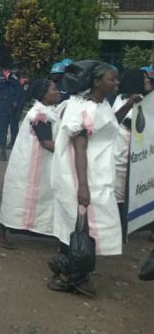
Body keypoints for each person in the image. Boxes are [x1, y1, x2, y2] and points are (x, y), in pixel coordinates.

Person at [49, 60, 135, 296]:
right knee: (77, 226)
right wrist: (83, 186)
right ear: (97, 82)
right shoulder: (83, 108)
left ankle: (74, 274)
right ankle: (68, 275)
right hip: (78, 174)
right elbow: (79, 146)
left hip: (96, 172)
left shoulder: (101, 104)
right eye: (111, 78)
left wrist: (128, 105)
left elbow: (107, 125)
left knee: (83, 226)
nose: (116, 82)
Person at [0, 79, 62, 249]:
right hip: (32, 166)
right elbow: (46, 142)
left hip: (35, 164)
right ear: (43, 95)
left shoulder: (46, 111)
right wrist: (73, 151)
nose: (57, 91)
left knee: (29, 198)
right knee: (22, 198)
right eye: (54, 89)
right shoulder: (40, 115)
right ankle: (0, 233)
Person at [111, 68, 151, 229]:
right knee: (120, 195)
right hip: (121, 158)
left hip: (132, 159)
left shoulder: (139, 101)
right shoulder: (124, 103)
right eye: (144, 78)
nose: (148, 81)